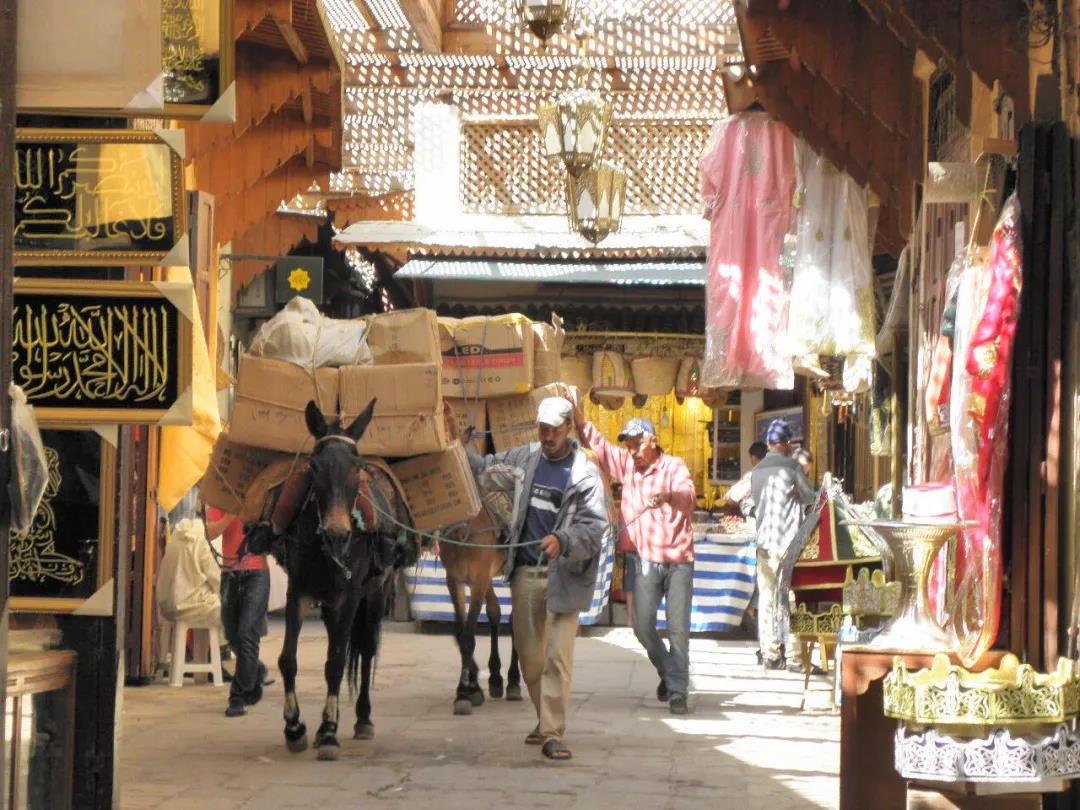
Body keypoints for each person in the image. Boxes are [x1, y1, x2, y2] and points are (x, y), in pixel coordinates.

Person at [467, 397, 609, 762]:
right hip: (525, 575)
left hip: (565, 577)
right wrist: (456, 444)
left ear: (569, 429)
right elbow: (484, 469)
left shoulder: (585, 473)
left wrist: (563, 540)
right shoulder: (526, 459)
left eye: (554, 430)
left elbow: (594, 529)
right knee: (530, 661)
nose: (547, 436)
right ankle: (543, 719)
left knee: (557, 659)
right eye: (542, 429)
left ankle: (552, 733)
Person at [571, 402, 697, 716]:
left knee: (678, 629)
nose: (632, 450)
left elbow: (689, 497)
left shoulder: (674, 466)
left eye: (637, 444)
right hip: (644, 559)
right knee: (641, 626)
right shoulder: (627, 465)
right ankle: (669, 671)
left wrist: (669, 496)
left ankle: (678, 691)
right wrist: (579, 419)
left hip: (678, 560)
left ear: (653, 440)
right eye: (628, 444)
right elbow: (600, 447)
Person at [750, 419, 816, 670]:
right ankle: (795, 657)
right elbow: (809, 497)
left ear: (768, 444)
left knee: (766, 598)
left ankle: (770, 654)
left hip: (764, 543)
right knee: (790, 598)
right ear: (787, 443)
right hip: (787, 544)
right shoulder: (792, 467)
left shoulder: (756, 470)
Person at [206, 506, 272, 718]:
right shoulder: (223, 499)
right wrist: (230, 516)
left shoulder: (260, 498)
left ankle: (238, 696)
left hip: (257, 573)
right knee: (232, 635)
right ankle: (255, 669)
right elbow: (210, 532)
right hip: (230, 573)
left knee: (247, 633)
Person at [156, 518, 222, 675]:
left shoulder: (175, 540)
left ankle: (201, 672)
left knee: (208, 605)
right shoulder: (201, 542)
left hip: (168, 606)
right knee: (224, 610)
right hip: (190, 607)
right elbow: (216, 578)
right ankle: (211, 668)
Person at [725, 440, 768, 515]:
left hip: (755, 518)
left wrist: (741, 503)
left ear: (753, 458)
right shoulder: (776, 474)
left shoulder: (752, 476)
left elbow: (730, 498)